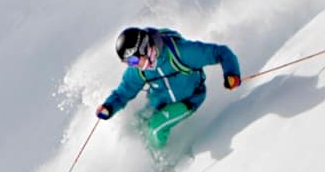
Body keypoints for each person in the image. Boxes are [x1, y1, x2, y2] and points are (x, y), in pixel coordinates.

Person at [96, 27, 242, 153]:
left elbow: (221, 52)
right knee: (136, 127)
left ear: (145, 48)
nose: (132, 65)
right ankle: (139, 168)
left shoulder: (181, 53)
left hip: (188, 99)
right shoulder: (139, 70)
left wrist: (231, 74)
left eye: (133, 60)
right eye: (127, 62)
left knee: (156, 128)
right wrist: (109, 106)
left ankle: (156, 165)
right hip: (159, 102)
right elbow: (124, 91)